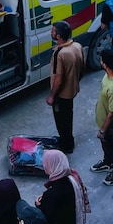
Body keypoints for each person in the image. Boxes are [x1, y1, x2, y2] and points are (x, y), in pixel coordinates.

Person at [36, 149, 90, 224]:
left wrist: (39, 204)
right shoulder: (72, 179)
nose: (44, 165)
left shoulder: (52, 194)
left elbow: (45, 216)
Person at [48, 20, 85, 154]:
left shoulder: (60, 53)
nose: (51, 33)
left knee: (61, 120)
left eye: (53, 31)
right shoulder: (77, 46)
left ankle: (66, 145)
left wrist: (52, 96)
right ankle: (68, 139)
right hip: (72, 90)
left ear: (58, 36)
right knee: (68, 117)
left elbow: (58, 79)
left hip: (61, 94)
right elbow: (82, 68)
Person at [91, 49, 113, 186]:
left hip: (110, 127)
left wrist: (102, 131)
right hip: (103, 122)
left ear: (105, 64)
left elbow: (112, 113)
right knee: (106, 146)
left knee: (112, 146)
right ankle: (107, 161)